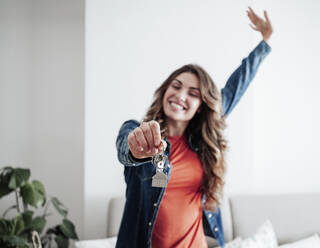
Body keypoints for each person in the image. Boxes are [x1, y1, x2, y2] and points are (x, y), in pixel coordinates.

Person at [115, 7, 273, 248]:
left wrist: (265, 41)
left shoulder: (200, 141)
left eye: (192, 93)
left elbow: (236, 85)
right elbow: (127, 147)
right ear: (165, 90)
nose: (180, 95)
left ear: (201, 105)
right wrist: (136, 151)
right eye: (175, 86)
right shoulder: (143, 135)